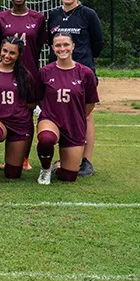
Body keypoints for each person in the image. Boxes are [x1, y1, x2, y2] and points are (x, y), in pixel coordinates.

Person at [46, 0, 104, 177]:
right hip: (58, 73)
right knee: (58, 112)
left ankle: (86, 160)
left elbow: (98, 43)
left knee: (86, 115)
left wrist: (83, 61)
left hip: (82, 72)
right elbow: (50, 42)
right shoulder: (53, 15)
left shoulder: (88, 14)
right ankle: (63, 156)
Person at [0, 0, 48, 172]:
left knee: (27, 114)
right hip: (7, 75)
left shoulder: (38, 18)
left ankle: (24, 158)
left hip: (29, 74)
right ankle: (10, 155)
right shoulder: (0, 18)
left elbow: (39, 45)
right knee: (7, 113)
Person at [35, 34, 99, 184]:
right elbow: (39, 98)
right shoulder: (45, 72)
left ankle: (57, 167)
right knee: (46, 139)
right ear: (52, 48)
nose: (62, 48)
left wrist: (76, 116)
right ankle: (45, 170)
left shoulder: (85, 73)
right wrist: (51, 112)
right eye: (58, 45)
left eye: (66, 45)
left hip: (74, 123)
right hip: (51, 119)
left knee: (69, 177)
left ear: (73, 47)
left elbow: (90, 103)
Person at [0, 36, 38, 188]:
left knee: (13, 174)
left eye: (12, 53)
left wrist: (16, 109)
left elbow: (31, 103)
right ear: (0, 50)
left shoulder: (25, 75)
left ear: (18, 55)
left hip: (19, 123)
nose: (7, 56)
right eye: (4, 51)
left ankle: (12, 163)